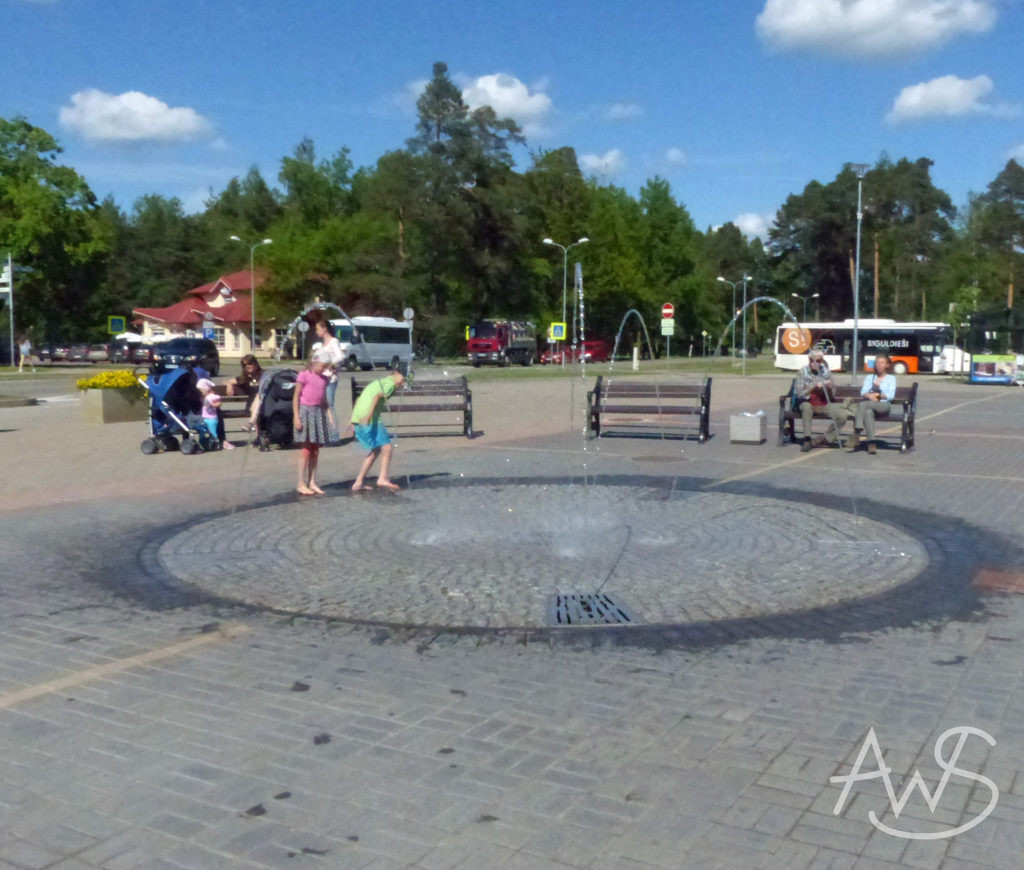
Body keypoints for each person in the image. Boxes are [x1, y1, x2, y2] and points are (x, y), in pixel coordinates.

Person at [350, 370, 404, 492]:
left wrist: (353, 420)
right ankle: (383, 478)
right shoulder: (390, 385)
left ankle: (358, 483)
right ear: (395, 373)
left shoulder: (380, 381)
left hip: (359, 415)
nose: (403, 382)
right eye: (403, 378)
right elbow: (376, 397)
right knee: (387, 447)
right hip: (370, 417)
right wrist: (369, 416)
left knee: (375, 450)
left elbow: (360, 398)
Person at [293, 353, 332, 495]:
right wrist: (296, 417)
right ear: (315, 362)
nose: (324, 369)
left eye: (326, 367)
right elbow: (296, 396)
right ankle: (300, 483)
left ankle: (312, 481)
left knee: (315, 450)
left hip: (318, 413)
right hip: (305, 412)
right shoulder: (304, 375)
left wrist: (329, 414)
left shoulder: (324, 379)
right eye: (323, 366)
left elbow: (323, 399)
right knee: (306, 450)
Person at [845, 353, 897, 455]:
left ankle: (857, 431)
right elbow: (863, 392)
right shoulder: (870, 377)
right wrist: (868, 396)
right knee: (868, 412)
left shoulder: (891, 378)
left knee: (862, 404)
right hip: (870, 404)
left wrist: (879, 395)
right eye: (877, 363)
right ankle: (871, 443)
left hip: (883, 405)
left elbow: (890, 395)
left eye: (882, 363)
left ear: (887, 365)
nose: (879, 365)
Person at [792, 348, 833, 451]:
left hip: (822, 402)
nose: (815, 363)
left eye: (818, 361)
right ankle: (807, 439)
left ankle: (825, 438)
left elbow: (834, 391)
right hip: (807, 401)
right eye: (812, 360)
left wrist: (829, 387)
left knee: (842, 414)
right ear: (809, 359)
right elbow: (800, 393)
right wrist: (813, 387)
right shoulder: (802, 372)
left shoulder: (826, 371)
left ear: (822, 361)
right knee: (806, 408)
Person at [313, 319, 344, 420]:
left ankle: (334, 434)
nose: (316, 331)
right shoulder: (322, 345)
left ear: (324, 328)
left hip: (330, 379)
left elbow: (340, 357)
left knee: (329, 406)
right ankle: (326, 431)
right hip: (321, 379)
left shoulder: (333, 341)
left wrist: (331, 364)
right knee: (322, 406)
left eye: (317, 329)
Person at [227, 354, 264, 432]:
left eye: (249, 363)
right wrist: (229, 385)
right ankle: (257, 435)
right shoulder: (245, 377)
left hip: (264, 404)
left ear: (255, 363)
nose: (247, 366)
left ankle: (251, 425)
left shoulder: (263, 374)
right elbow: (230, 381)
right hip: (252, 406)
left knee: (259, 397)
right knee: (258, 402)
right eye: (244, 365)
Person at [196, 378, 235, 450]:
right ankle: (206, 441)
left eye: (201, 390)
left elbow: (216, 402)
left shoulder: (210, 396)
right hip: (199, 414)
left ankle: (220, 440)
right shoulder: (197, 394)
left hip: (211, 415)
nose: (200, 392)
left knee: (217, 414)